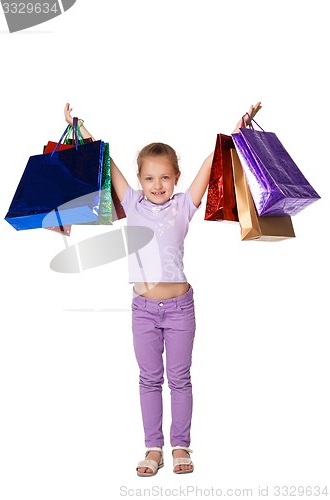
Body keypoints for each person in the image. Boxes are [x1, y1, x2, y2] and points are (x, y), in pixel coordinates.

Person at [64, 102, 262, 476]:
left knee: (181, 378)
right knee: (149, 379)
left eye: (166, 178)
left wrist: (239, 131)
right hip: (143, 309)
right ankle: (153, 448)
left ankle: (181, 446)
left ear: (176, 178)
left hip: (180, 307)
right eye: (151, 179)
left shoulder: (184, 205)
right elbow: (107, 163)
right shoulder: (132, 204)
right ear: (140, 181)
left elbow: (211, 162)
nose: (158, 185)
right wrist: (80, 128)